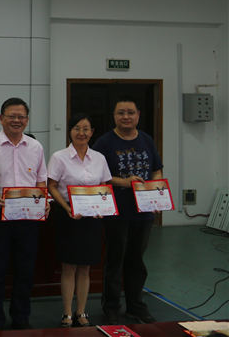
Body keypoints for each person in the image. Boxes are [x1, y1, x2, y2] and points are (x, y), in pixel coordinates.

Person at [93, 99, 163, 325]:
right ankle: (111, 307)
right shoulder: (104, 143)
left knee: (137, 260)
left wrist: (156, 191)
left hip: (144, 212)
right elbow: (97, 176)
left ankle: (136, 306)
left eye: (130, 112)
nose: (126, 117)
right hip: (116, 211)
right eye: (121, 113)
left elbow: (156, 170)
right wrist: (124, 182)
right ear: (114, 116)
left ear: (138, 115)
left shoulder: (146, 140)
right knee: (115, 260)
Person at [0, 97, 48, 330]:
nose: (17, 120)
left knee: (25, 269)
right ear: (1, 118)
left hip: (28, 217)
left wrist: (44, 200)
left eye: (21, 117)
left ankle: (21, 317)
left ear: (27, 120)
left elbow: (41, 179)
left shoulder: (35, 147)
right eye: (12, 116)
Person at [47, 113, 113, 328]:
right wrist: (66, 208)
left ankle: (81, 311)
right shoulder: (59, 157)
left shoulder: (99, 158)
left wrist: (103, 206)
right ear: (70, 131)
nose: (81, 133)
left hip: (92, 218)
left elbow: (105, 186)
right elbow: (51, 186)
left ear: (92, 132)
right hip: (68, 216)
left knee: (85, 267)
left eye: (86, 129)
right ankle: (67, 312)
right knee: (68, 266)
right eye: (77, 128)